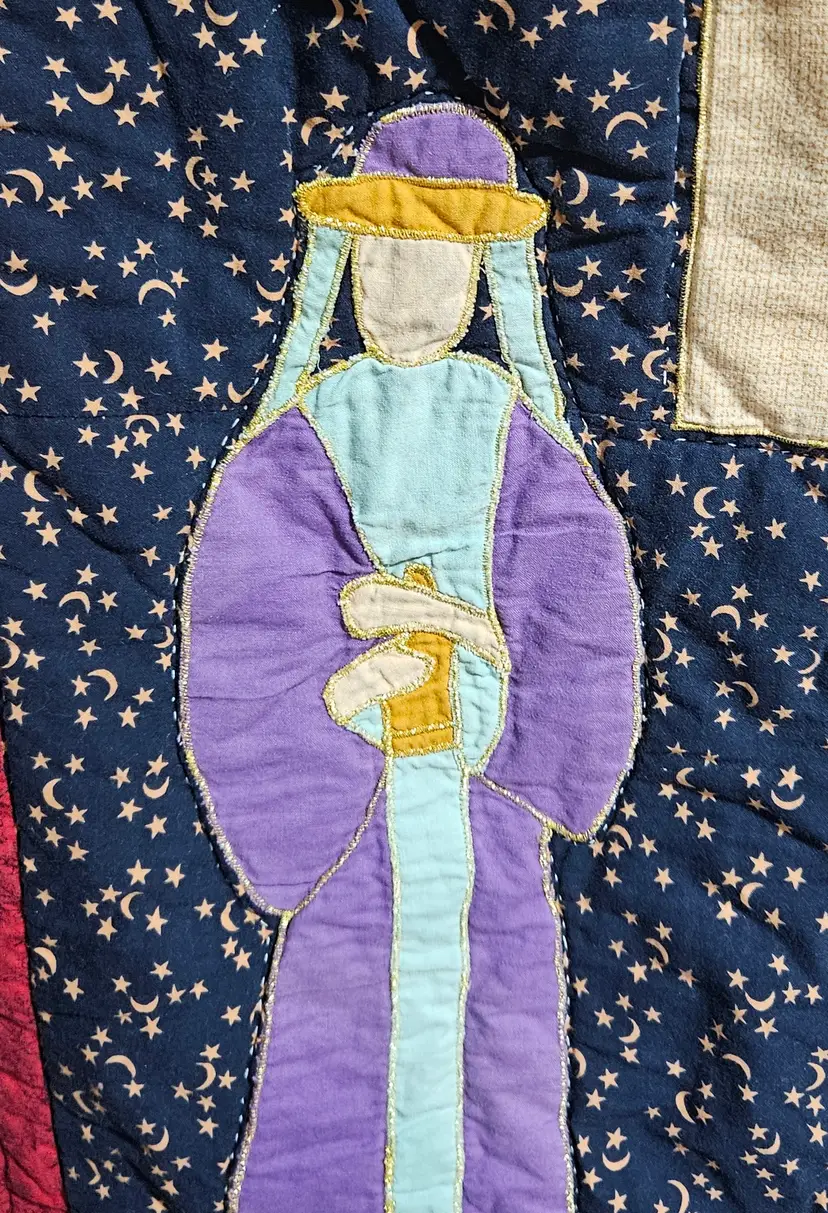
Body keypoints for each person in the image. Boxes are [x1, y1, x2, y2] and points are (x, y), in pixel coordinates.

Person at [180, 102, 642, 1213]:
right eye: (383, 257)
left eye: (438, 260)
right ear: (346, 264)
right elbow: (245, 607)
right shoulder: (308, 425)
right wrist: (350, 674)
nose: (406, 289)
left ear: (482, 278)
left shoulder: (510, 421)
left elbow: (579, 601)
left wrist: (499, 710)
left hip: (486, 805)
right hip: (346, 810)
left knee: (502, 1039)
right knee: (336, 1036)